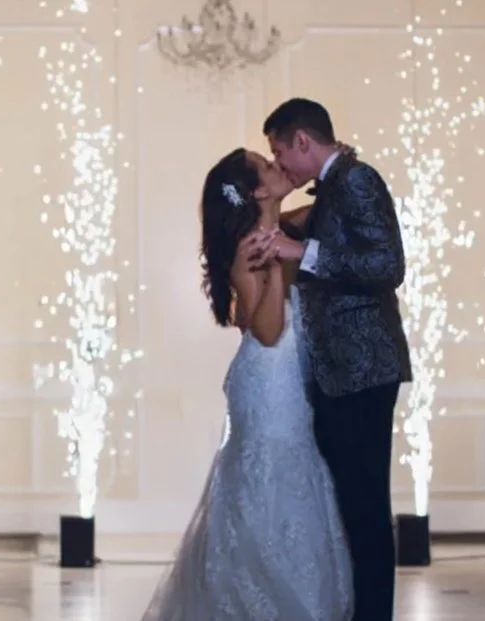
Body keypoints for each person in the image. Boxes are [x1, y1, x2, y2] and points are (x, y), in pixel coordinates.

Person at [139, 148, 353, 621]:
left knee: (294, 476)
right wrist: (276, 268)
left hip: (287, 379)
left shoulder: (281, 227)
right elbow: (269, 329)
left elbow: (327, 211)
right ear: (256, 191)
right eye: (270, 166)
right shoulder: (251, 246)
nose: (281, 168)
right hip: (269, 380)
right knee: (271, 479)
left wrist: (335, 168)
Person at [260, 97, 412, 621]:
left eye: (281, 152)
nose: (281, 164)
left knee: (366, 509)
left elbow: (388, 264)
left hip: (364, 369)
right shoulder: (333, 187)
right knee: (350, 507)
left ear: (303, 141)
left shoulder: (358, 179)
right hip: (340, 372)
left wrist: (303, 254)